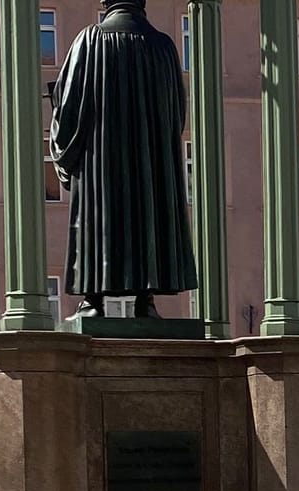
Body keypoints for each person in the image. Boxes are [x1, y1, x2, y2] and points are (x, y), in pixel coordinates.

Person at [49, 0, 197, 319]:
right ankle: (146, 300)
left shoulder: (89, 41)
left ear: (105, 2)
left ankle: (93, 301)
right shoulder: (164, 47)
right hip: (151, 164)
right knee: (147, 215)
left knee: (99, 219)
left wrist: (63, 152)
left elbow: (70, 105)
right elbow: (177, 113)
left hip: (99, 163)